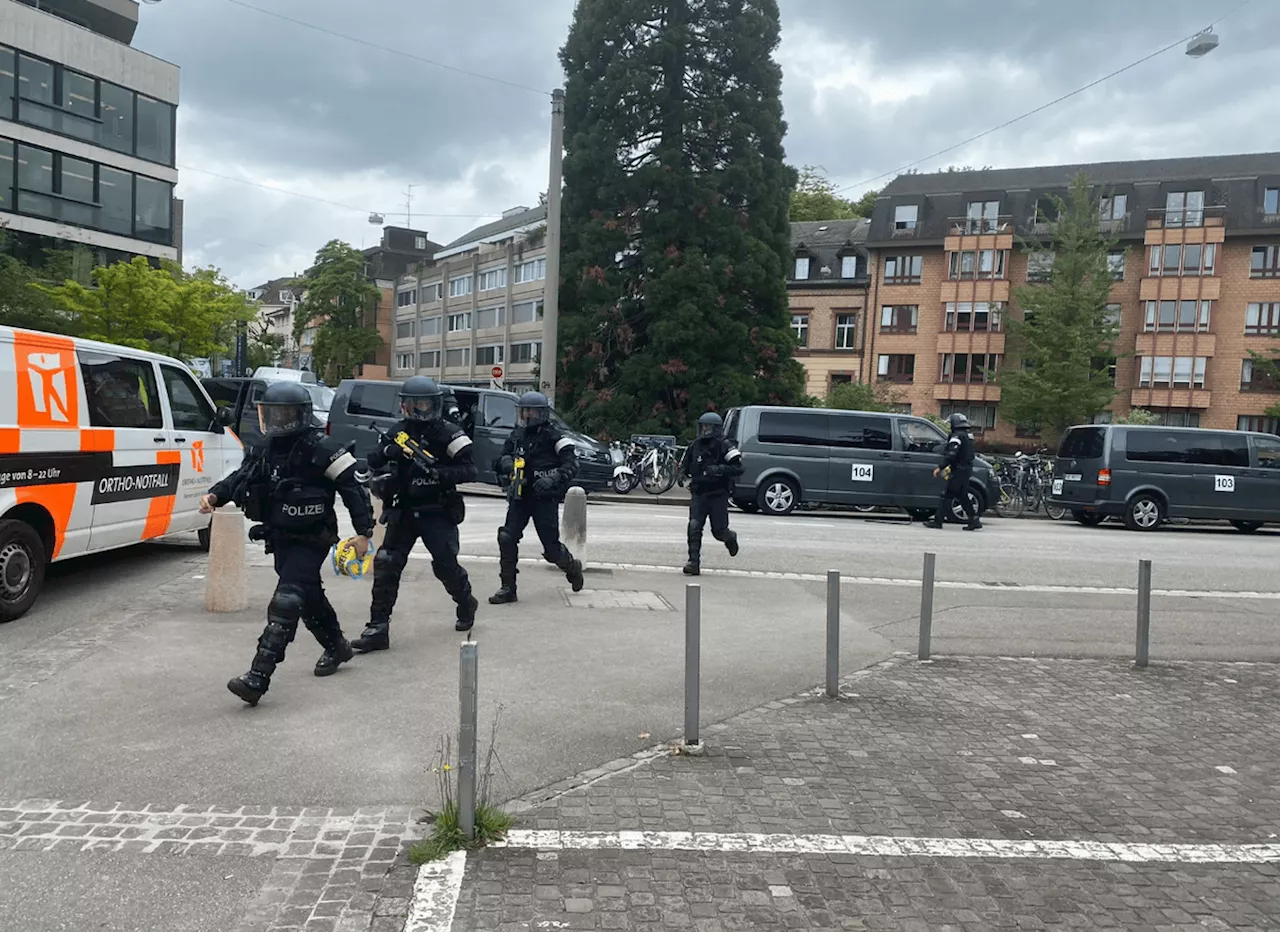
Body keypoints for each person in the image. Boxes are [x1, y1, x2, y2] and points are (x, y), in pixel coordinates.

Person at [201, 381, 375, 706]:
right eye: (274, 414)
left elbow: (353, 489)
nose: (279, 420)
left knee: (287, 600)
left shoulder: (322, 448)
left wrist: (364, 533)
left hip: (313, 537)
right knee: (308, 597)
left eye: (286, 414)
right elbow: (241, 476)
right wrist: (215, 495)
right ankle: (337, 646)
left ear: (300, 415)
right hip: (280, 536)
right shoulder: (264, 448)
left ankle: (257, 678)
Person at [352, 377, 479, 651]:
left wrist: (440, 474)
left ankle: (465, 603)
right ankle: (378, 627)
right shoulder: (398, 432)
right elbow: (373, 459)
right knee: (386, 564)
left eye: (422, 404)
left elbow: (471, 470)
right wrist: (390, 450)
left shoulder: (449, 433)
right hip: (404, 509)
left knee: (445, 565)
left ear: (434, 405)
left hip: (437, 510)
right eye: (412, 404)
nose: (417, 410)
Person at [489, 390, 584, 603]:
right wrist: (504, 464)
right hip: (520, 496)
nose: (526, 416)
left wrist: (554, 478)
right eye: (523, 411)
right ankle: (508, 587)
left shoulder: (555, 436)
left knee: (551, 549)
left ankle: (572, 567)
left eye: (530, 411)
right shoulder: (517, 435)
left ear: (541, 413)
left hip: (544, 498)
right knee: (507, 537)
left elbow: (572, 464)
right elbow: (500, 458)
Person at [679, 412, 744, 575]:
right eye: (702, 426)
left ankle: (730, 538)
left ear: (715, 428)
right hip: (699, 493)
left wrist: (720, 469)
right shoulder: (695, 445)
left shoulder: (725, 446)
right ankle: (693, 562)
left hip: (718, 494)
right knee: (694, 526)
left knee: (719, 531)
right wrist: (681, 475)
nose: (704, 430)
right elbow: (685, 464)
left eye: (707, 426)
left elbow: (739, 468)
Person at [925, 412, 981, 530]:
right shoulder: (967, 435)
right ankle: (974, 520)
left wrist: (940, 467)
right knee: (962, 496)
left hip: (959, 470)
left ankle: (937, 521)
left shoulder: (957, 436)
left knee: (947, 495)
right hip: (966, 469)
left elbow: (951, 454)